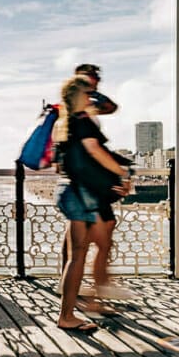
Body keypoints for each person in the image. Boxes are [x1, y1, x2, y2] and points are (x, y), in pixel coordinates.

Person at [53, 76, 132, 332]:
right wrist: (121, 173)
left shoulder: (64, 123)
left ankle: (87, 302)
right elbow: (95, 150)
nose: (91, 97)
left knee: (86, 251)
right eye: (88, 93)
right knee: (77, 257)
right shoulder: (83, 122)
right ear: (78, 96)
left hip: (70, 191)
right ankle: (68, 315)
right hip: (81, 195)